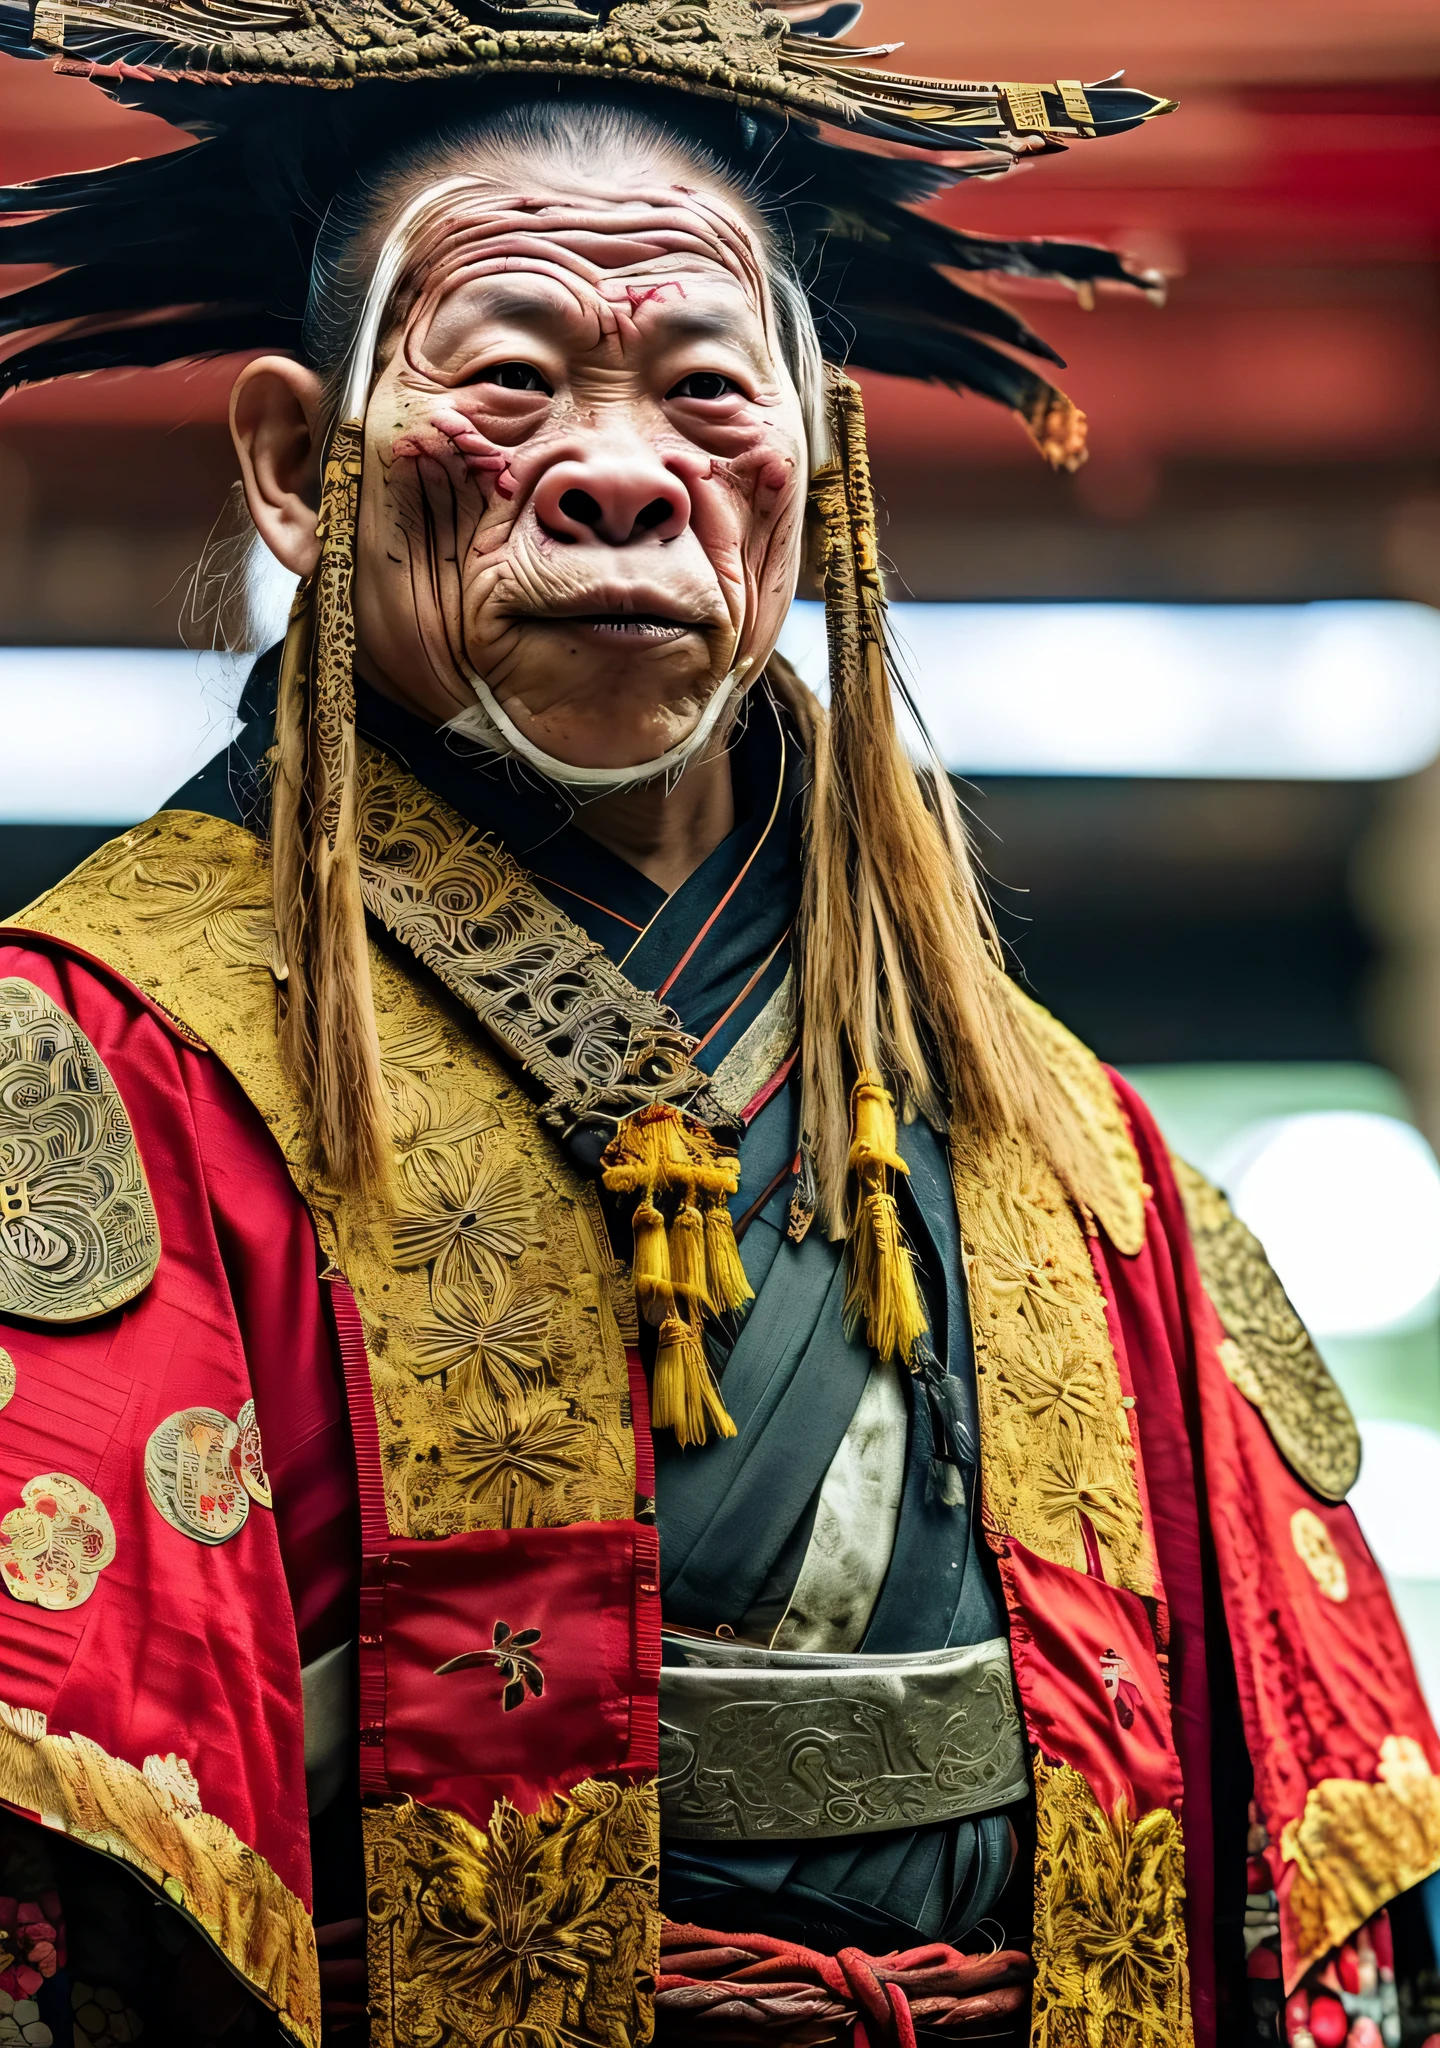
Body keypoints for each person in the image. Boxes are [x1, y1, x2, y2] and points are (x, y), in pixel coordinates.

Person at [0, 8, 1434, 2046]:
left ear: (817, 466)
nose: (614, 469)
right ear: (288, 464)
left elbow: (1322, 1834)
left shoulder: (1079, 1153)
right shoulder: (110, 1068)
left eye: (699, 387)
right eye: (506, 378)